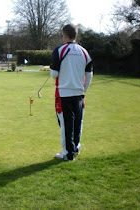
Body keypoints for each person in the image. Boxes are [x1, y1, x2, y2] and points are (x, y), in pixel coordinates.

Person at [50, 24, 93, 161]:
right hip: (79, 93)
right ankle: (75, 148)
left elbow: (54, 74)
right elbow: (89, 74)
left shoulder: (59, 50)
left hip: (64, 94)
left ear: (65, 35)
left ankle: (68, 154)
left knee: (66, 124)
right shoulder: (84, 51)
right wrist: (84, 89)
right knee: (77, 122)